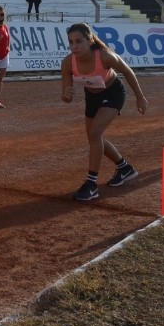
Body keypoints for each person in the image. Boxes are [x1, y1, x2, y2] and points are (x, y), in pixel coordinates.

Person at [61, 22, 148, 202]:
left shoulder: (105, 56)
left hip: (113, 93)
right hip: (92, 96)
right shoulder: (68, 62)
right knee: (94, 138)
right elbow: (66, 97)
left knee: (95, 133)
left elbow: (128, 72)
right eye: (71, 42)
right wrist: (66, 94)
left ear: (89, 40)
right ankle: (125, 168)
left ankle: (91, 184)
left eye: (79, 41)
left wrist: (140, 97)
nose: (74, 46)